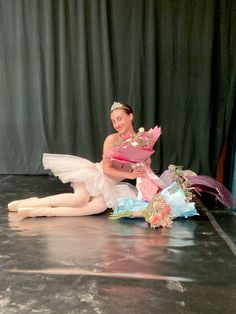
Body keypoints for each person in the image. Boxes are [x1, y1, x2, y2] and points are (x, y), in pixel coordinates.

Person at [8, 102, 147, 217]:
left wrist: (144, 158)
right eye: (113, 121)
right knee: (80, 199)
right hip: (94, 175)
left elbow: (146, 167)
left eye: (120, 118)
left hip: (109, 185)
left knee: (99, 207)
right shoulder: (112, 139)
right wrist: (130, 175)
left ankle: (45, 211)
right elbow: (106, 169)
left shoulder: (141, 142)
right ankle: (34, 203)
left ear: (130, 116)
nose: (117, 124)